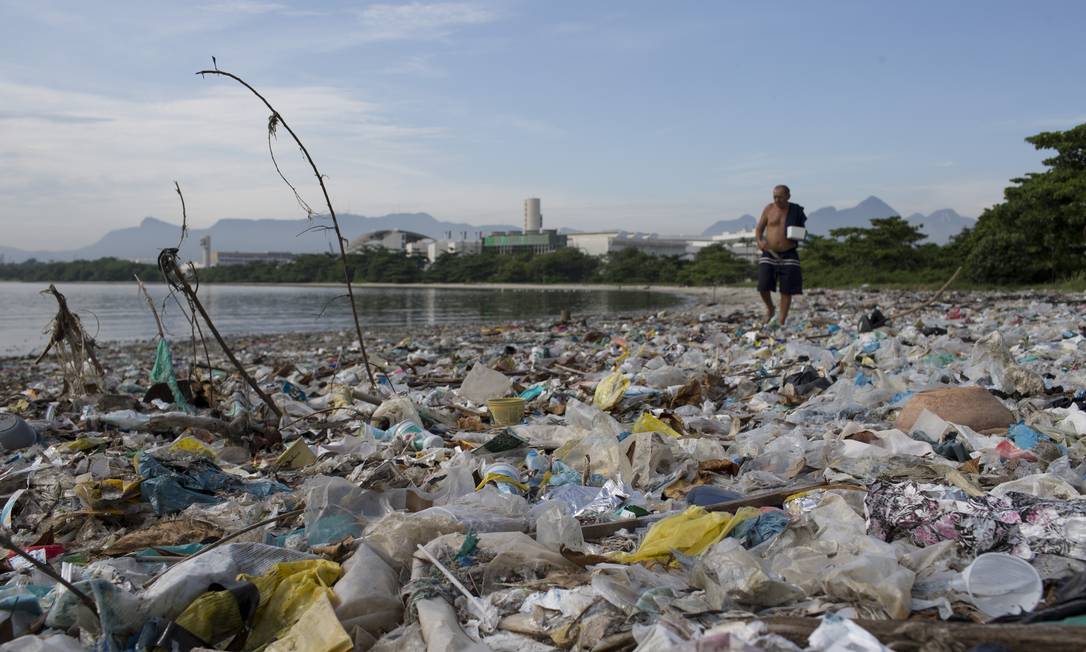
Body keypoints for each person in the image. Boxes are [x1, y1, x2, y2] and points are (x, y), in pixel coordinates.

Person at [754, 184, 806, 326]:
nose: (777, 200)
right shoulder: (769, 209)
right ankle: (770, 308)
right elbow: (759, 229)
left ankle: (781, 321)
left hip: (789, 252)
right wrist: (759, 241)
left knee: (786, 289)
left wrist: (799, 233)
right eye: (775, 197)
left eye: (780, 197)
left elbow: (802, 231)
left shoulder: (796, 210)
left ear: (788, 196)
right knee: (763, 285)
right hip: (769, 251)